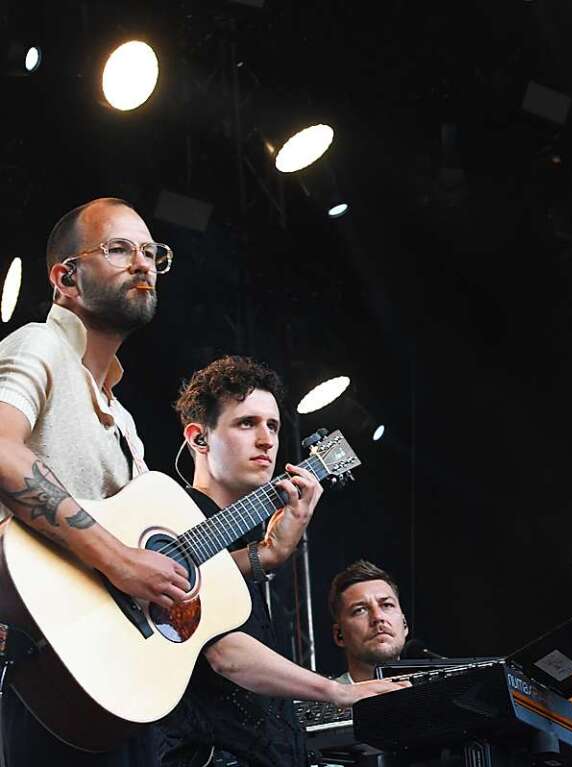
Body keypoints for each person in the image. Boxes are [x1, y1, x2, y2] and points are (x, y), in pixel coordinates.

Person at [0, 197, 188, 766]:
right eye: (119, 248)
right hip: (42, 665)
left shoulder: (125, 421)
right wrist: (119, 560)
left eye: (152, 252)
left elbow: (145, 561)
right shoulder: (40, 344)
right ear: (67, 278)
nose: (143, 263)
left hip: (111, 676)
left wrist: (259, 559)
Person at [155, 356, 403, 767]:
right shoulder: (171, 522)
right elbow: (225, 653)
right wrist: (341, 692)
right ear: (199, 438)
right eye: (247, 423)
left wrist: (267, 554)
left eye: (273, 425)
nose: (267, 440)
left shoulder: (227, 547)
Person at [327, 560, 408, 683]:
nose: (378, 617)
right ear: (339, 635)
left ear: (404, 624)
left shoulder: (435, 695)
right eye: (360, 610)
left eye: (387, 605)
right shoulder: (324, 701)